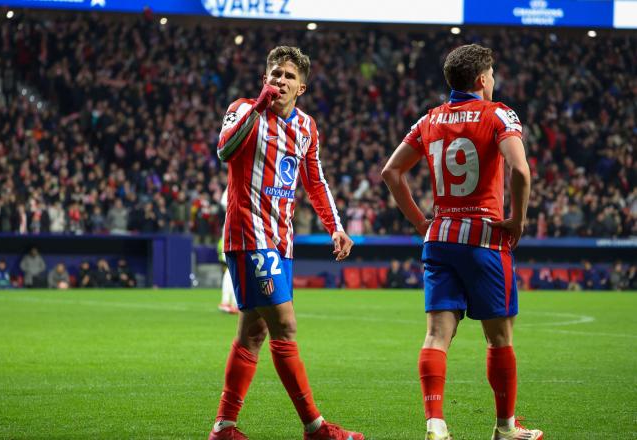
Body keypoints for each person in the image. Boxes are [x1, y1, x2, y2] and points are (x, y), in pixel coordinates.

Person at [382, 44, 542, 440]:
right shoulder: (499, 114)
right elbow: (520, 171)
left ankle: (435, 424)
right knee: (499, 337)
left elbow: (391, 172)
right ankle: (505, 427)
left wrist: (422, 222)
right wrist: (517, 221)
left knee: (437, 334)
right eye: (491, 74)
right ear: (482, 80)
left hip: (440, 238)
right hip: (485, 239)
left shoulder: (429, 119)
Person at [209, 46, 360, 440]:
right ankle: (315, 427)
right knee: (285, 327)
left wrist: (336, 227)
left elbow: (315, 179)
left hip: (282, 241)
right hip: (248, 233)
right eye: (275, 74)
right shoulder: (244, 109)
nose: (280, 81)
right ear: (264, 80)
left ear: (301, 87)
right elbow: (224, 149)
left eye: (288, 76)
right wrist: (258, 106)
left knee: (252, 334)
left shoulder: (307, 127)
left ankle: (224, 427)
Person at [218, 188, 237, 314]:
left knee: (233, 270)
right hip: (232, 235)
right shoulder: (233, 185)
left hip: (233, 233)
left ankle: (229, 302)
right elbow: (224, 202)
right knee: (233, 269)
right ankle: (230, 302)